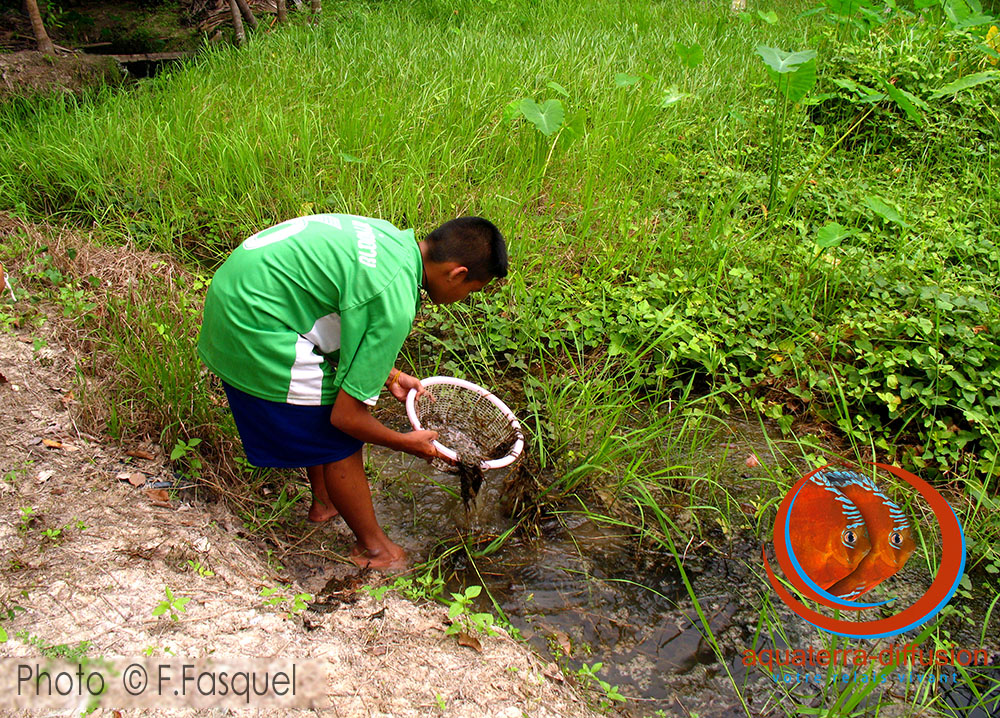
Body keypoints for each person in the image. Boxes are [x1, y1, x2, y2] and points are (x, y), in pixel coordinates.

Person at [197, 214, 508, 569]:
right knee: (339, 438)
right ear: (458, 274)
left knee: (321, 402)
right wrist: (403, 441)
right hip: (253, 323)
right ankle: (375, 550)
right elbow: (345, 418)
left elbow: (336, 308)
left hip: (234, 294)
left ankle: (325, 501)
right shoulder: (394, 302)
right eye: (473, 290)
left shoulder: (390, 240)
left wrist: (388, 374)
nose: (465, 298)